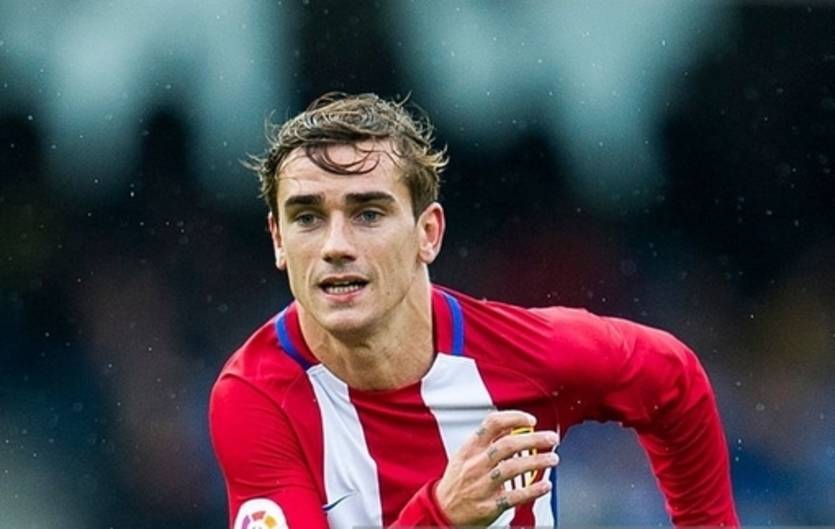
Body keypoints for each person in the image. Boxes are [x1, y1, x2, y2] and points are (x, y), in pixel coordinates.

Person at [209, 92, 740, 529]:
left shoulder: (527, 355)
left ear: (428, 233)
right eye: (307, 218)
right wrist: (442, 514)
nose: (335, 246)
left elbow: (672, 378)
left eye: (368, 213)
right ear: (278, 240)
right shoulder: (256, 397)